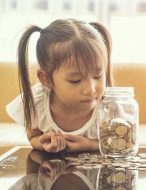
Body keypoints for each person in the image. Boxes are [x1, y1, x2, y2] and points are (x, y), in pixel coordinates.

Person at [6, 19, 113, 153]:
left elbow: (123, 143)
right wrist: (43, 143)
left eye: (98, 76)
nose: (91, 89)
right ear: (46, 79)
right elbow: (33, 136)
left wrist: (91, 144)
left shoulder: (111, 106)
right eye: (76, 80)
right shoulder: (36, 102)